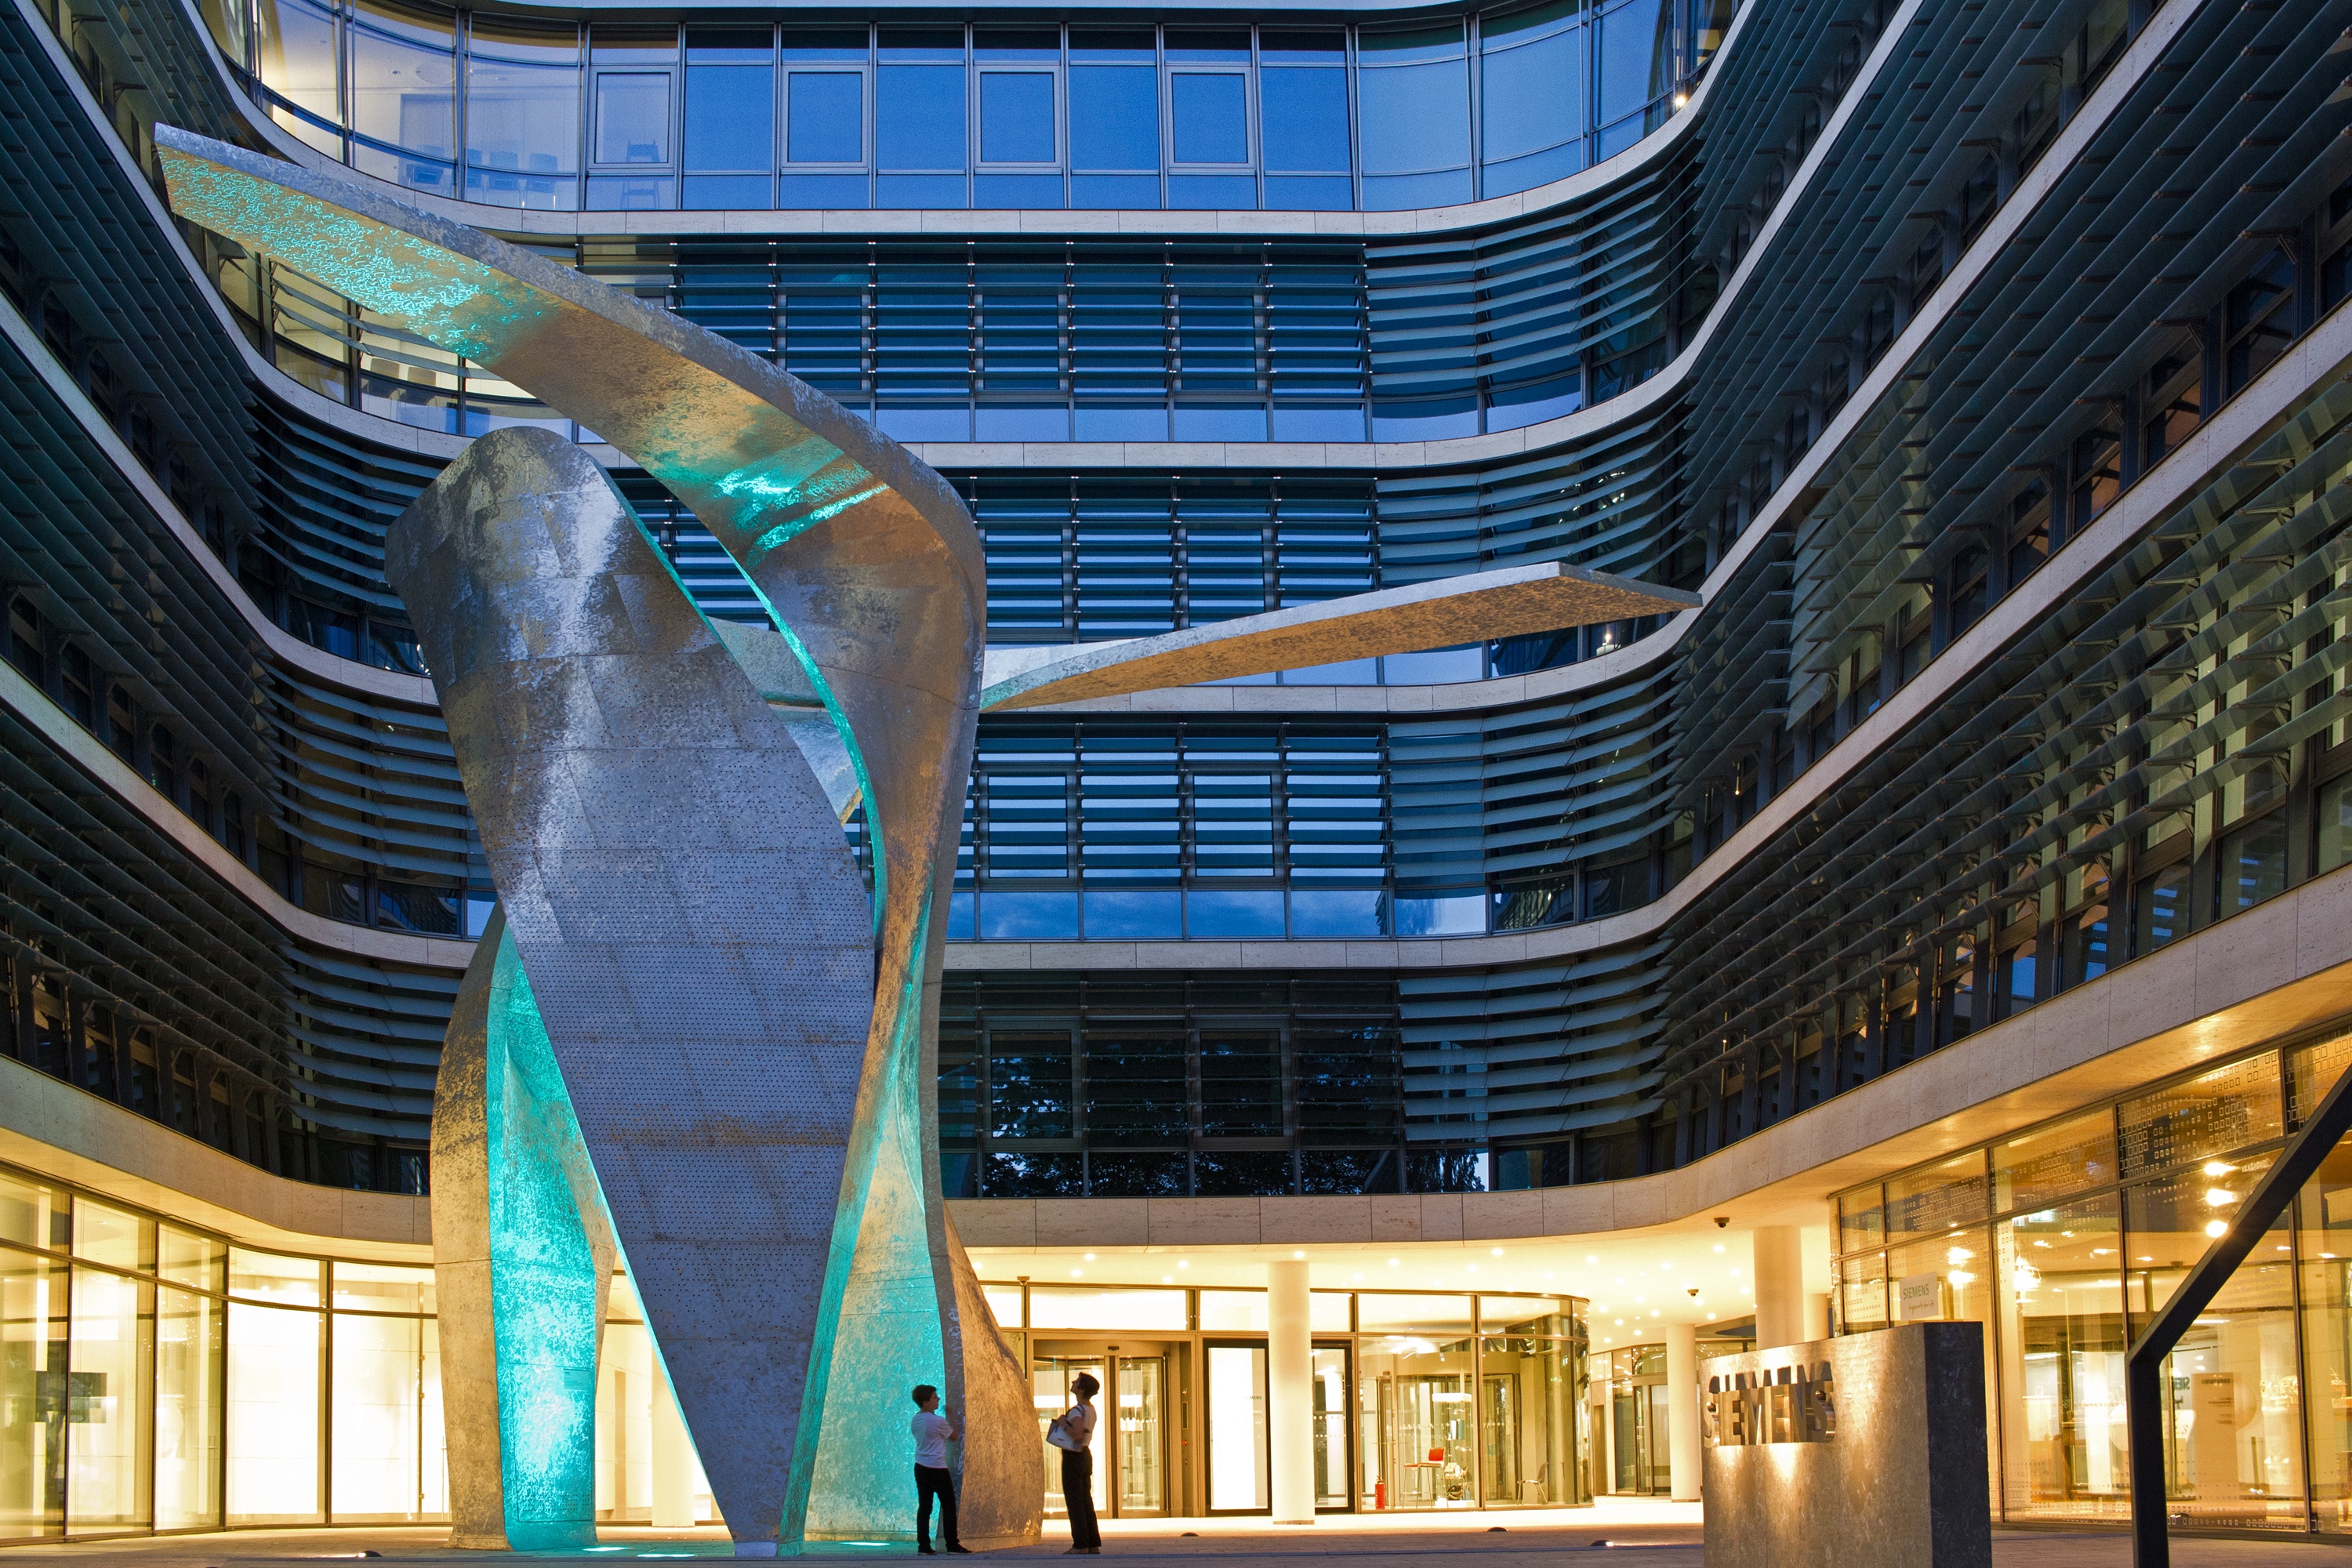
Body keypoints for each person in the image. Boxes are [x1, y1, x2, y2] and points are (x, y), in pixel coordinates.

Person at [909, 1385, 972, 1555]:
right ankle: (952, 1544)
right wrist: (951, 1415)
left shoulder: (915, 1420)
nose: (937, 1400)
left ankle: (923, 1546)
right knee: (949, 1506)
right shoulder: (937, 1421)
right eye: (934, 1397)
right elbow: (954, 1436)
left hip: (920, 1467)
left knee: (925, 1507)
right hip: (937, 1468)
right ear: (926, 1402)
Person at [1048, 1372, 1102, 1555]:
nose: (1073, 1382)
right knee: (1086, 1500)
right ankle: (1093, 1542)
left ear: (1082, 1388)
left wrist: (1063, 1422)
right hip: (1085, 1455)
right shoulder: (1091, 1409)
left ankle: (1080, 1544)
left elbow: (1077, 1435)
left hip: (1073, 1457)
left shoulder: (1078, 1410)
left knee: (1075, 1502)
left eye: (1077, 1381)